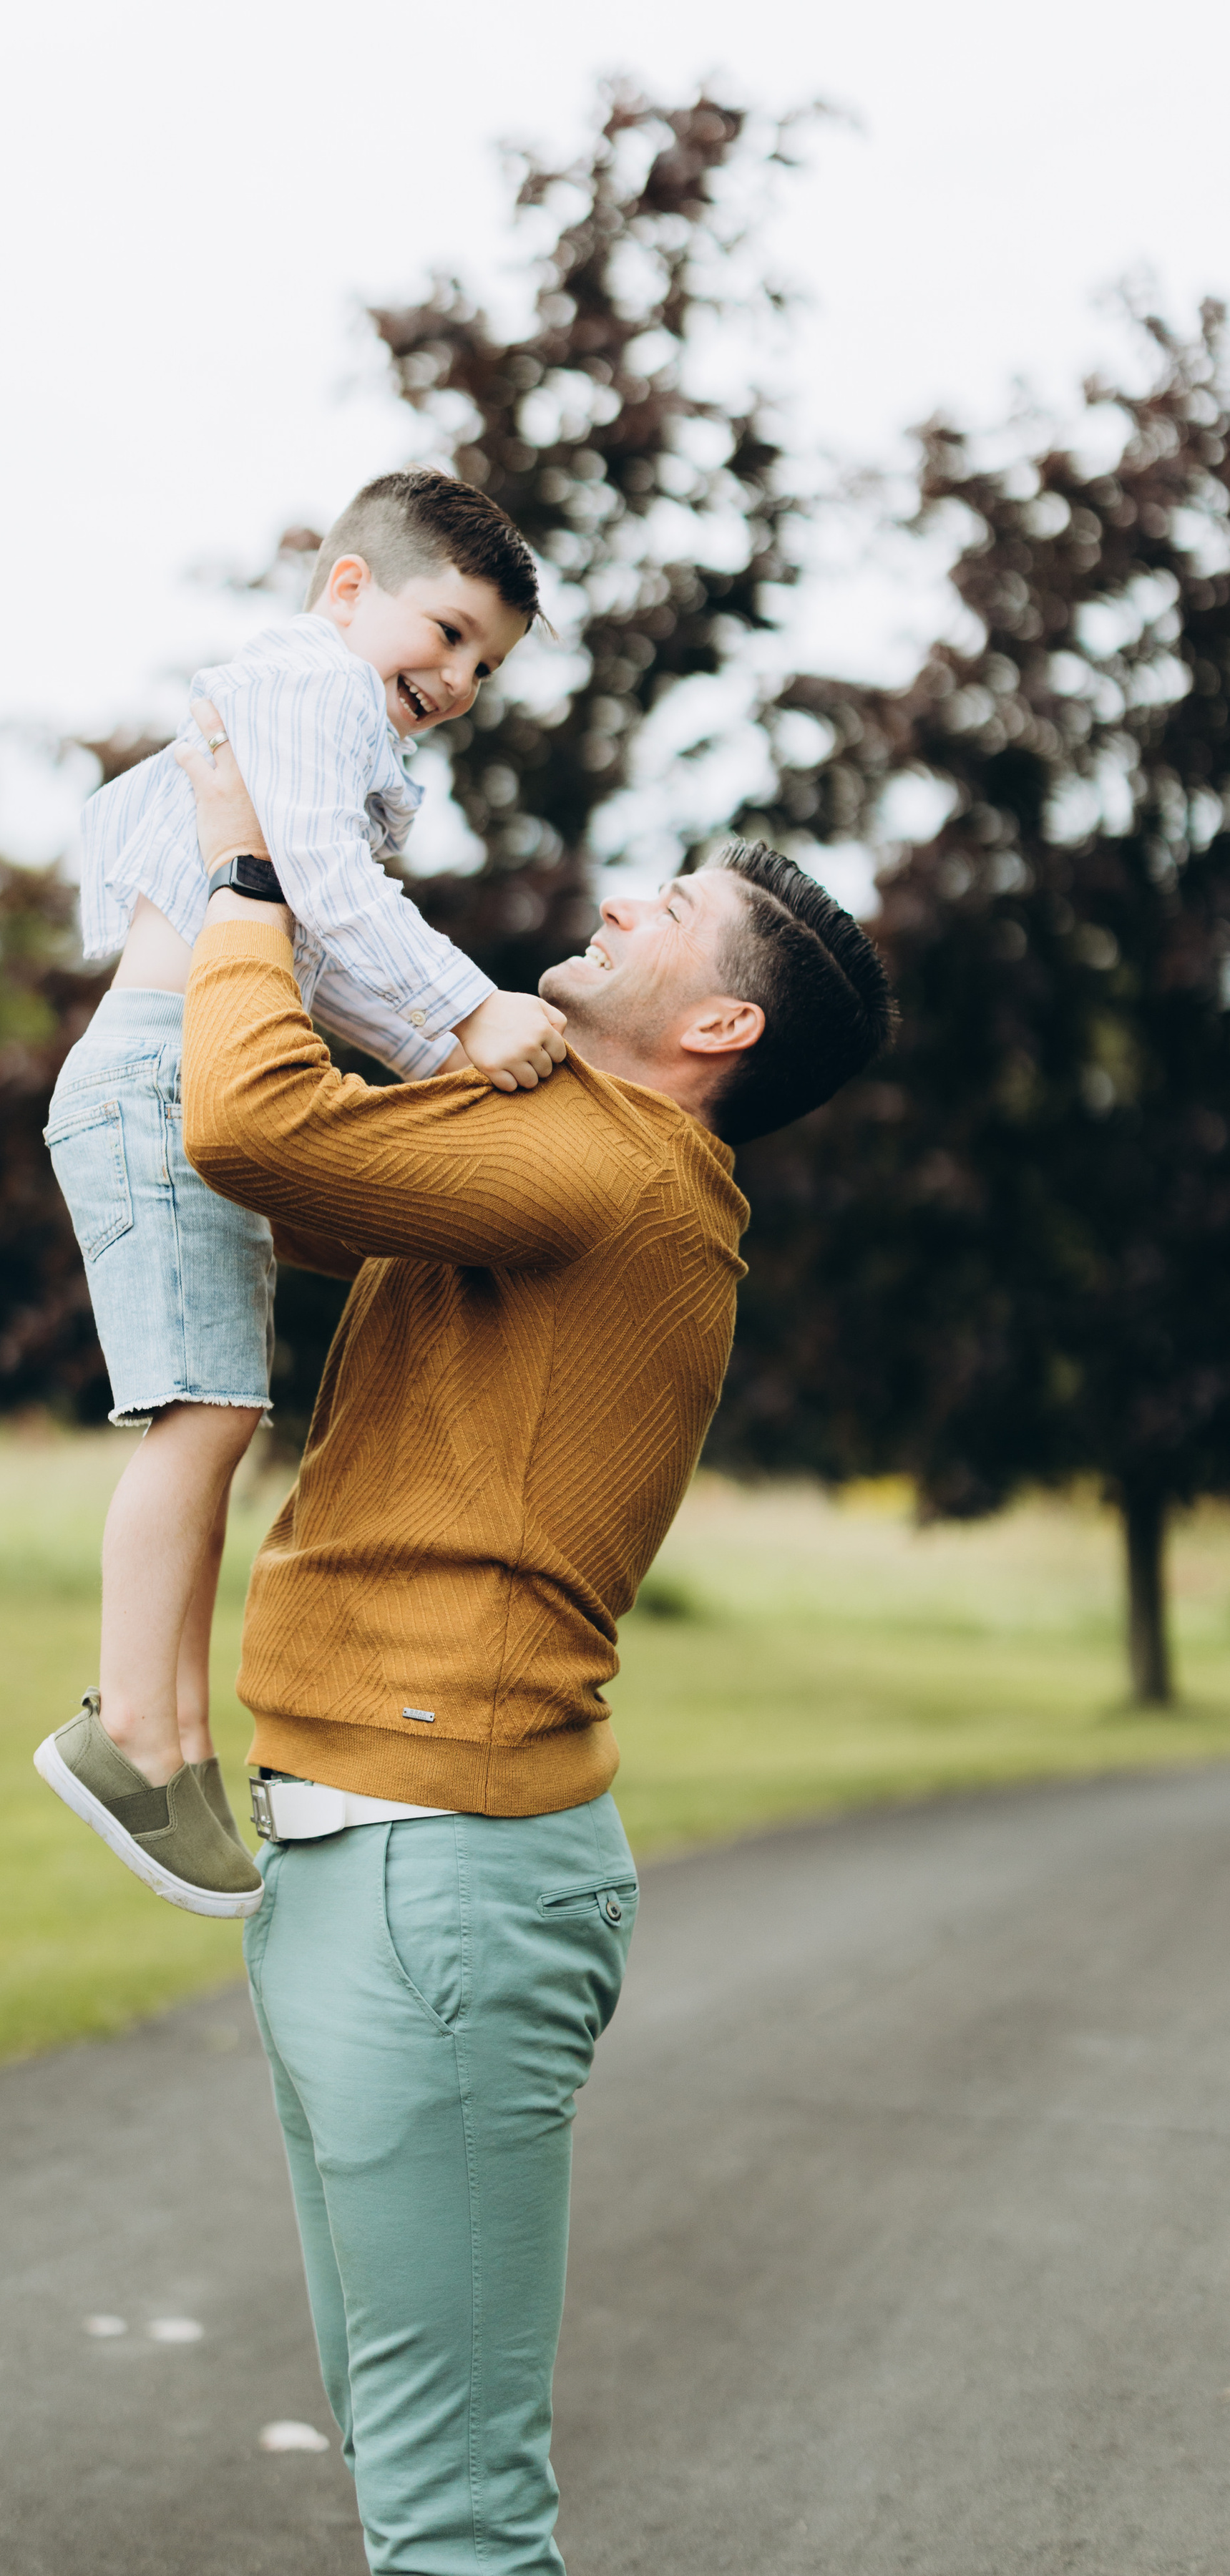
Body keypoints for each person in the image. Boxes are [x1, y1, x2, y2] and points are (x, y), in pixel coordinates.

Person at [169, 723, 896, 2575]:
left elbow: (253, 1126)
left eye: (675, 909)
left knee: (456, 2511)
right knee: (394, 2441)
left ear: (719, 1029)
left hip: (446, 1867)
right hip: (354, 1852)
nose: (622, 894)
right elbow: (313, 1145)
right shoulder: (558, 1146)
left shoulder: (613, 1168)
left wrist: (259, 867)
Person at [36, 469, 571, 1920]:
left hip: (172, 1071)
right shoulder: (308, 689)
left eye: (485, 666)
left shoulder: (317, 710)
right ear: (349, 590)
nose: (458, 679)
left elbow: (295, 934)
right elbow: (320, 890)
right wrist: (466, 1020)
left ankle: (171, 1743)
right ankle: (131, 1733)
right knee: (198, 1417)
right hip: (155, 1074)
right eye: (447, 631)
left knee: (218, 1417)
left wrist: (434, 1074)